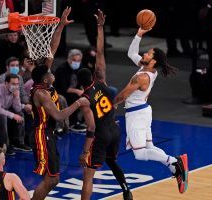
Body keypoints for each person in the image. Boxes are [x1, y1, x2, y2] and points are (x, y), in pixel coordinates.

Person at [113, 28, 188, 194]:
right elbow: (131, 53)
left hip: (137, 114)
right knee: (149, 146)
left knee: (139, 154)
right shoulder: (148, 69)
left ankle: (174, 161)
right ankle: (174, 166)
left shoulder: (141, 77)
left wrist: (111, 105)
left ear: (153, 61)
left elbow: (123, 95)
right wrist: (139, 33)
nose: (144, 54)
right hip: (144, 111)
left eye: (148, 54)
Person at [29, 7, 88, 200]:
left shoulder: (43, 79)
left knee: (53, 179)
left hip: (49, 133)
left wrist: (61, 25)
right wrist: (79, 103)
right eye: (50, 73)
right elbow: (59, 115)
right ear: (45, 80)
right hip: (42, 134)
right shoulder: (42, 94)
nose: (52, 72)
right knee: (51, 180)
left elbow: (52, 48)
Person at [77, 10, 133, 200]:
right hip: (115, 130)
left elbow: (91, 127)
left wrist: (85, 151)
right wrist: (100, 27)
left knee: (88, 176)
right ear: (92, 76)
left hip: (101, 134)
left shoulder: (85, 98)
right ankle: (126, 190)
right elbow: (100, 53)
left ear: (80, 83)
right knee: (112, 160)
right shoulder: (102, 81)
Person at [0, 74, 32, 155]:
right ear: (6, 83)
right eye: (13, 84)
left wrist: (17, 97)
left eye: (17, 84)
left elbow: (17, 108)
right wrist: (12, 115)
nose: (16, 86)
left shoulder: (15, 91)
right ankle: (5, 145)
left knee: (20, 113)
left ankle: (18, 142)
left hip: (5, 111)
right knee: (2, 117)